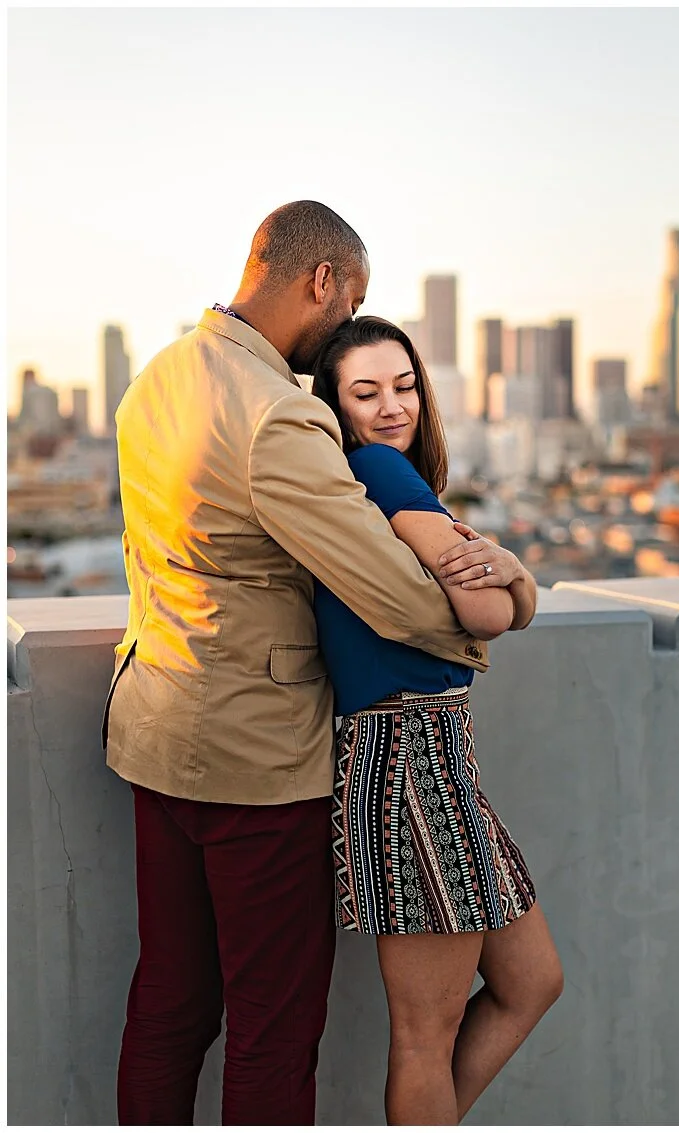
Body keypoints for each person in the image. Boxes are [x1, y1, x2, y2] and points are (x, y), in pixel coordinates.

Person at [105, 201, 520, 1124]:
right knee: (272, 1026)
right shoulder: (276, 416)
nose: (350, 321)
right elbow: (399, 593)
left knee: (169, 1005)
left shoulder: (156, 381)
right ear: (319, 281)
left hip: (152, 733)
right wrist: (508, 597)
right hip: (256, 762)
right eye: (354, 297)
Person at [309, 316, 563, 1123]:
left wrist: (511, 576)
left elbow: (502, 599)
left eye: (405, 384)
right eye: (366, 391)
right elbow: (488, 608)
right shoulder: (375, 469)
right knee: (426, 1033)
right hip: (406, 758)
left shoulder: (387, 480)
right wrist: (512, 571)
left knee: (531, 981)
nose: (392, 406)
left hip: (440, 760)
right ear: (335, 406)